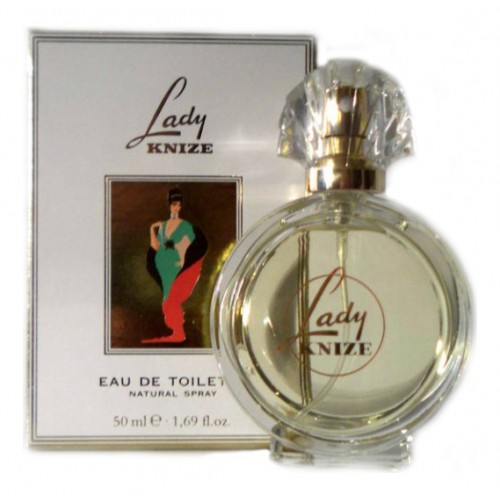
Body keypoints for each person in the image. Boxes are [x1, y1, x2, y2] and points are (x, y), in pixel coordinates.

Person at [142, 188, 207, 344]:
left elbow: (189, 245)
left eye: (178, 204)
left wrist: (183, 260)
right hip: (163, 266)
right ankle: (177, 332)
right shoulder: (163, 226)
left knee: (172, 300)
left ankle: (179, 332)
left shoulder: (185, 225)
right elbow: (156, 246)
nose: (176, 207)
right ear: (169, 205)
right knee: (167, 300)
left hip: (176, 265)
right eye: (173, 204)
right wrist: (152, 229)